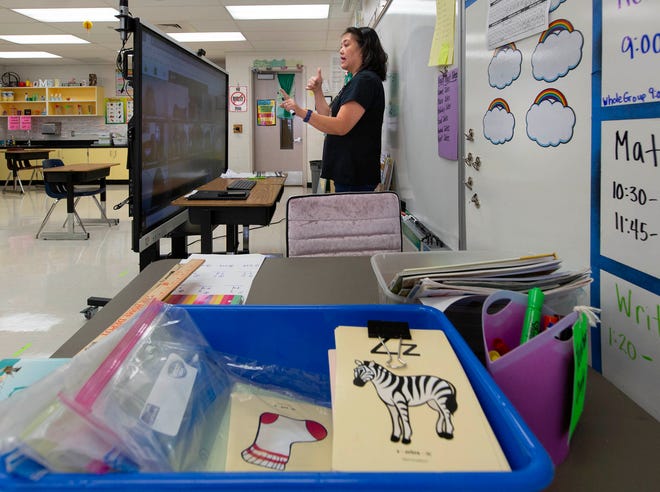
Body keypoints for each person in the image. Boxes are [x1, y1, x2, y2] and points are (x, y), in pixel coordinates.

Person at [280, 26, 388, 192]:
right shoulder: (355, 81)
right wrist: (317, 91)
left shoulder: (365, 80)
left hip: (355, 176)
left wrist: (300, 111)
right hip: (348, 173)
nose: (341, 51)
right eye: (340, 46)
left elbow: (340, 126)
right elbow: (328, 115)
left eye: (346, 45)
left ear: (364, 48)